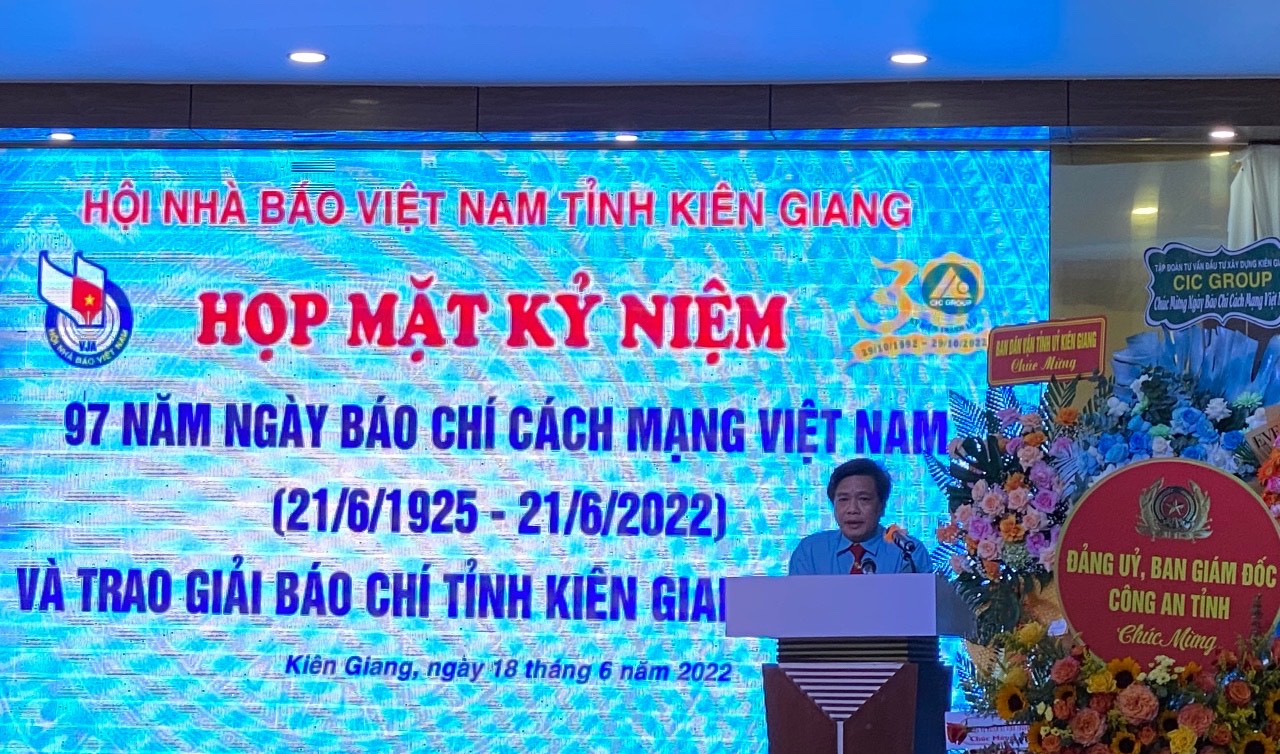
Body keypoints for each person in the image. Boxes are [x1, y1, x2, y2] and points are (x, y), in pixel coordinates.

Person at [789, 458, 931, 575]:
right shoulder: (810, 551)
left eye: (864, 499)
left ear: (882, 506)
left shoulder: (907, 552)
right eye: (843, 499)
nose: (853, 509)